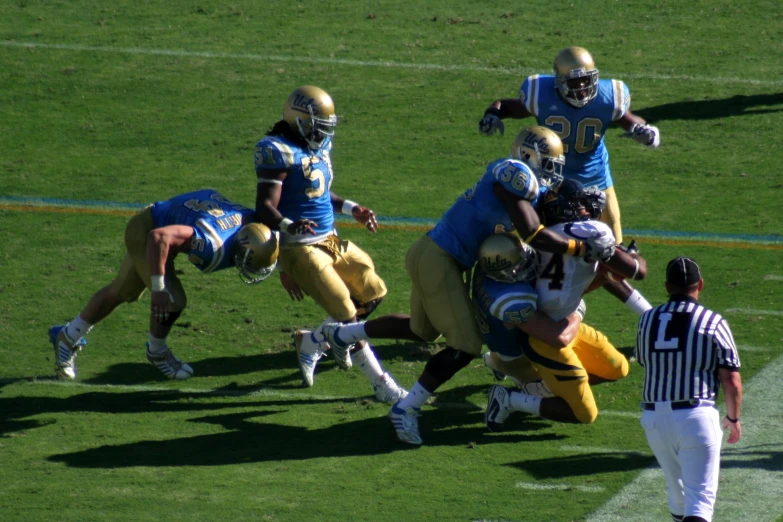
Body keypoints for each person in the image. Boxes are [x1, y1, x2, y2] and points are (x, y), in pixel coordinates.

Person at [321, 127, 616, 445]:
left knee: (424, 331)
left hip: (431, 251)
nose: (551, 171)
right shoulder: (513, 174)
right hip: (440, 258)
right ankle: (405, 410)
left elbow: (546, 211)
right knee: (466, 345)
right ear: (527, 156)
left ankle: (342, 334)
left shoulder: (527, 186)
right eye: (547, 163)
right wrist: (579, 248)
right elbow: (532, 230)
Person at [253, 85, 406, 403]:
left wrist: (353, 209)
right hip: (300, 247)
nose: (321, 133)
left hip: (330, 239)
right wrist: (284, 246)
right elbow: (265, 208)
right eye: (316, 125)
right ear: (299, 120)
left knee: (373, 293)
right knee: (347, 314)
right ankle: (381, 384)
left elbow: (319, 193)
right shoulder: (277, 151)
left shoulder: (315, 148)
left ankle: (313, 341)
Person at [478, 46, 656, 315]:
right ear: (559, 81)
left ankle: (636, 311)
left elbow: (628, 119)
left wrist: (642, 130)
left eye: (586, 80)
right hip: (552, 184)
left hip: (596, 181)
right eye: (574, 82)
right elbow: (509, 105)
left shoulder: (609, 96)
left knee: (611, 255)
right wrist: (493, 113)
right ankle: (540, 307)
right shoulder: (541, 92)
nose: (582, 88)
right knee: (544, 252)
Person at [49, 189, 279, 381]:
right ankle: (157, 351)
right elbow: (159, 238)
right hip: (148, 230)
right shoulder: (212, 245)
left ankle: (67, 336)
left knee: (123, 291)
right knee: (172, 299)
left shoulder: (257, 227)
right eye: (250, 264)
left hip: (171, 225)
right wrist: (158, 288)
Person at [483, 180, 647, 428]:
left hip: (559, 319)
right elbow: (637, 271)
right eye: (579, 204)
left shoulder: (550, 234)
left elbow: (574, 282)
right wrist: (630, 256)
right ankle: (509, 399)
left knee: (617, 368)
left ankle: (543, 385)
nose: (586, 208)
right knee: (584, 414)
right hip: (545, 337)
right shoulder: (593, 231)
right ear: (565, 207)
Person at [635, 257, 742, 522]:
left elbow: (643, 359)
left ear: (667, 286)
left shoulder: (647, 319)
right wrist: (733, 417)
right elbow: (731, 380)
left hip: (654, 419)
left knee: (678, 491)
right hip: (695, 415)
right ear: (700, 285)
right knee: (700, 499)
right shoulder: (713, 321)